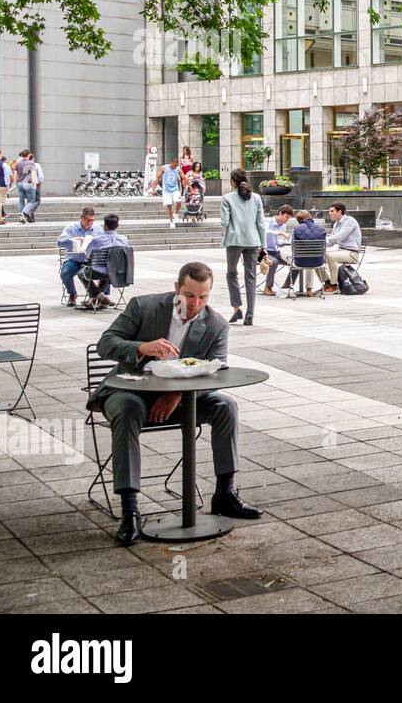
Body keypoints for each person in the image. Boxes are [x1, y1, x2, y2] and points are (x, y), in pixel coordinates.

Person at [93, 261, 261, 546]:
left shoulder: (216, 324)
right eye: (189, 295)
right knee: (127, 409)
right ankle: (130, 511)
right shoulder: (143, 307)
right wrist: (140, 347)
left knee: (225, 406)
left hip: (182, 398)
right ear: (176, 289)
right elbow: (105, 343)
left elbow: (215, 371)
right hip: (130, 390)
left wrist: (177, 395)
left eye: (203, 297)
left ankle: (225, 494)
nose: (195, 303)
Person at [220, 168, 266, 326]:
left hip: (234, 240)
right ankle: (250, 314)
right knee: (251, 277)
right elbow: (261, 223)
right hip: (253, 241)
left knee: (231, 273)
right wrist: (263, 245)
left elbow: (224, 222)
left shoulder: (227, 198)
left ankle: (236, 306)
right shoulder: (257, 198)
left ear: (233, 181)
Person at [79, 213, 130, 307]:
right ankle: (100, 298)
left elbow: (87, 255)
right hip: (118, 272)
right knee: (110, 268)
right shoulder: (124, 239)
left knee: (81, 273)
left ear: (105, 226)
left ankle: (98, 297)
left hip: (99, 272)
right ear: (117, 225)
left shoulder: (97, 240)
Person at [58, 206, 101, 308]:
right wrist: (75, 239)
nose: (90, 222)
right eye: (87, 220)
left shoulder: (97, 229)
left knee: (106, 269)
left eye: (92, 220)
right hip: (74, 260)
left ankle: (102, 296)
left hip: (90, 260)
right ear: (82, 217)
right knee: (65, 272)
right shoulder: (71, 227)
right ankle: (72, 294)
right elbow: (60, 242)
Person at [321, 202, 363, 293]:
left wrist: (323, 239)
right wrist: (317, 244)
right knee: (316, 257)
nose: (329, 213)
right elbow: (331, 243)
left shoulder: (350, 221)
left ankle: (334, 286)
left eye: (332, 211)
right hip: (341, 251)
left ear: (339, 212)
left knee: (330, 256)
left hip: (352, 253)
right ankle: (327, 282)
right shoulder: (336, 224)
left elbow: (340, 236)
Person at [287, 211, 329, 295]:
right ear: (310, 216)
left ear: (298, 221)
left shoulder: (296, 229)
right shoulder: (321, 229)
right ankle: (309, 289)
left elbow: (293, 247)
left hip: (299, 262)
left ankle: (287, 286)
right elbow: (324, 246)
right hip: (318, 262)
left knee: (288, 255)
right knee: (311, 258)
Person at [262, 205, 294, 294]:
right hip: (261, 251)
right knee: (274, 262)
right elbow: (266, 232)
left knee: (295, 261)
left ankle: (286, 286)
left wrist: (285, 242)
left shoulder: (283, 225)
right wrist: (280, 233)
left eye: (289, 218)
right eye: (286, 217)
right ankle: (268, 287)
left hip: (275, 251)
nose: (287, 220)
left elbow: (278, 241)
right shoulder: (267, 222)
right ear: (280, 213)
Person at [153, 157, 184, 227]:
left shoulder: (178, 169)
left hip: (175, 189)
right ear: (171, 163)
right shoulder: (164, 168)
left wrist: (191, 188)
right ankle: (171, 221)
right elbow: (157, 179)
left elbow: (184, 178)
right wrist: (153, 189)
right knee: (169, 205)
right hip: (166, 190)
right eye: (174, 165)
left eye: (176, 165)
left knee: (178, 202)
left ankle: (176, 213)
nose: (175, 167)